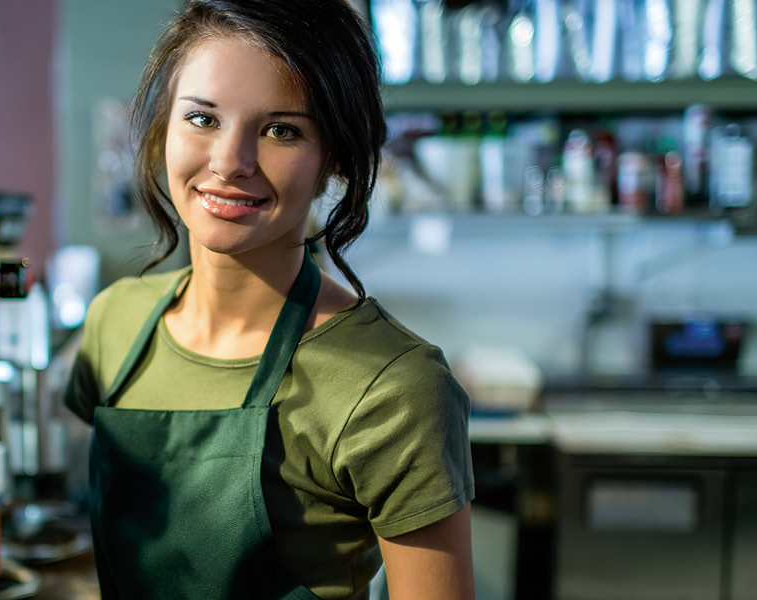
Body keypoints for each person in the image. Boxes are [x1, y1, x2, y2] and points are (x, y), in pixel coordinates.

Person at [63, 1, 475, 598]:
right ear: (162, 127)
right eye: (202, 119)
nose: (230, 163)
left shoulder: (395, 389)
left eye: (282, 130)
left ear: (334, 154)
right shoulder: (115, 322)